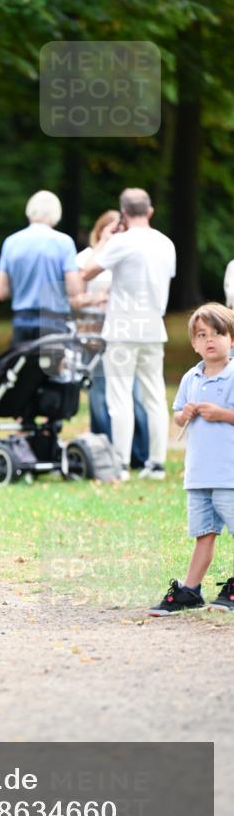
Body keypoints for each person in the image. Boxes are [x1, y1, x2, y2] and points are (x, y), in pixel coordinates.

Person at [81, 188, 176, 481]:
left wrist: (106, 240)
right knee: (155, 396)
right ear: (150, 211)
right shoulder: (166, 243)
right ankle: (156, 463)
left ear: (123, 212)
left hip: (123, 326)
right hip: (153, 325)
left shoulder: (122, 242)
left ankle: (121, 463)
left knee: (119, 396)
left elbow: (85, 271)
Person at [149, 303, 234, 615]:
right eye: (202, 335)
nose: (210, 340)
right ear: (195, 344)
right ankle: (191, 590)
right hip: (199, 474)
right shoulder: (190, 378)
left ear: (232, 339)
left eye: (218, 333)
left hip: (229, 474)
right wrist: (183, 415)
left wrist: (223, 414)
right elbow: (177, 417)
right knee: (203, 534)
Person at [76, 210, 149, 469]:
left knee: (132, 393)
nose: (117, 233)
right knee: (99, 393)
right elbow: (76, 295)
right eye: (111, 229)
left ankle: (139, 451)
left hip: (125, 330)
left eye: (121, 229)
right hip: (93, 331)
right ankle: (102, 449)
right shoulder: (87, 257)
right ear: (100, 229)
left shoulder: (129, 255)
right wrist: (104, 244)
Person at [0, 190, 82, 346]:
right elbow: (74, 290)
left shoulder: (11, 242)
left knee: (24, 368)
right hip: (54, 322)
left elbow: (2, 292)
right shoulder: (64, 242)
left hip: (22, 321)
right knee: (53, 370)